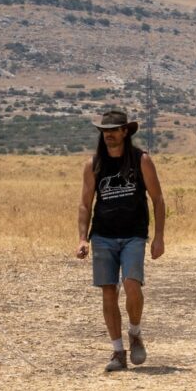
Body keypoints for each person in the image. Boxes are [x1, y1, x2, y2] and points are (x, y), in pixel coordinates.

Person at [75, 109, 166, 372]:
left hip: (133, 235)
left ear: (125, 131)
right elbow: (84, 204)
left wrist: (159, 237)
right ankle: (117, 352)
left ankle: (135, 332)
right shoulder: (93, 165)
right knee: (108, 292)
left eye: (114, 130)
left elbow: (158, 199)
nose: (109, 136)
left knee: (131, 284)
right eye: (105, 131)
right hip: (102, 236)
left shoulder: (141, 160)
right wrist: (82, 238)